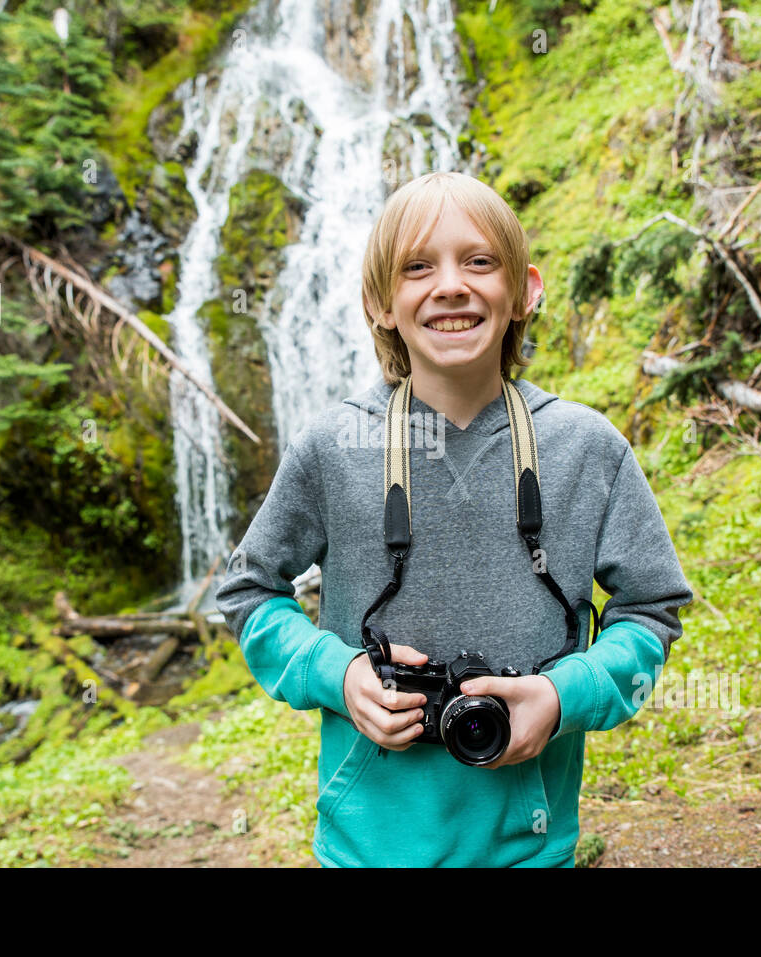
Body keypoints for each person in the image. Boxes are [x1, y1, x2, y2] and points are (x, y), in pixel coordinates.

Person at [214, 171, 693, 867]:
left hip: (531, 847)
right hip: (364, 847)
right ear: (380, 301)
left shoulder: (588, 449)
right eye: (417, 266)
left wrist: (564, 695)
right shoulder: (331, 448)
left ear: (525, 289)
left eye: (479, 261)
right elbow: (248, 591)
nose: (450, 285)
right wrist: (339, 673)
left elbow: (651, 610)